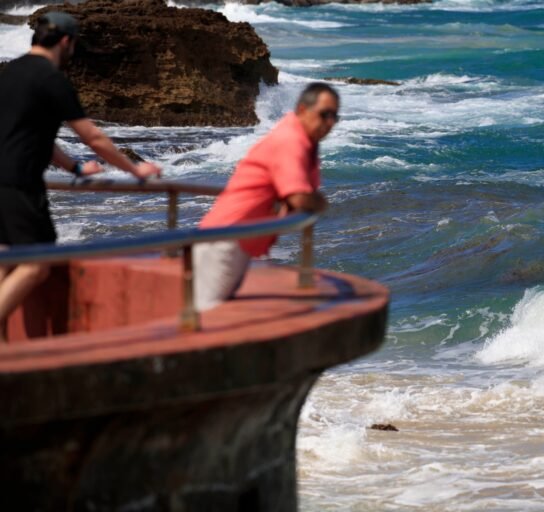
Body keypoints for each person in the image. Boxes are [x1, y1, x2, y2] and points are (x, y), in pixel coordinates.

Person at [0, 12, 162, 338]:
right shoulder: (51, 78)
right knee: (36, 263)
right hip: (18, 184)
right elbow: (93, 136)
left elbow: (32, 134)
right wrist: (135, 169)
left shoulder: (9, 73)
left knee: (6, 260)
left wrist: (74, 168)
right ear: (66, 42)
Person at [194, 82, 339, 310]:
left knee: (214, 311)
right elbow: (299, 197)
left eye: (334, 117)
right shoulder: (291, 141)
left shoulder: (302, 140)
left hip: (236, 238)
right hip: (225, 239)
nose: (329, 123)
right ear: (302, 110)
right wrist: (319, 202)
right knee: (206, 315)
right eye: (324, 115)